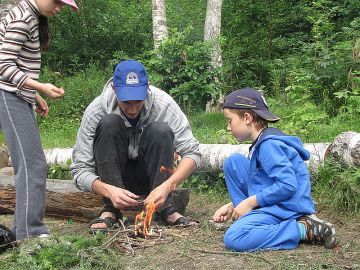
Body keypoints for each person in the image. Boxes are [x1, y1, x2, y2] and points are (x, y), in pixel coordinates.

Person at [70, 59, 201, 232]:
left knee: (159, 130)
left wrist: (168, 185)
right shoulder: (96, 111)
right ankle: (112, 209)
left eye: (138, 101)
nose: (132, 109)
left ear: (147, 88)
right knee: (109, 123)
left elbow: (193, 152)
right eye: (126, 102)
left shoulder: (164, 105)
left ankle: (163, 207)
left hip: (153, 177)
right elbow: (80, 169)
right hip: (113, 180)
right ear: (114, 90)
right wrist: (108, 191)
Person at [212, 88, 337, 251]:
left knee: (234, 238)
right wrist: (235, 205)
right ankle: (246, 216)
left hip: (289, 207)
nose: (228, 127)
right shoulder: (263, 141)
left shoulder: (269, 146)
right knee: (233, 162)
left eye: (230, 121)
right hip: (277, 201)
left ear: (247, 118)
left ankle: (303, 229)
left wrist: (249, 202)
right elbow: (263, 180)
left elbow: (288, 185)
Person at [0, 0, 79, 241]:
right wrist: (40, 87)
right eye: (57, 2)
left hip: (16, 94)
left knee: (31, 162)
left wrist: (32, 95)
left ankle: (26, 229)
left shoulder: (31, 15)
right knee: (32, 163)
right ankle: (29, 232)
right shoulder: (23, 18)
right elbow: (3, 64)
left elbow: (17, 64)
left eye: (64, 5)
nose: (59, 8)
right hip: (7, 95)